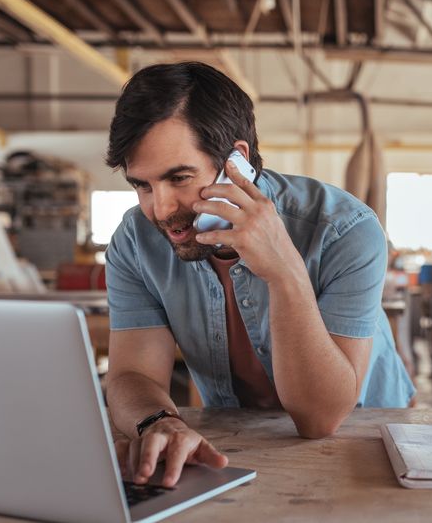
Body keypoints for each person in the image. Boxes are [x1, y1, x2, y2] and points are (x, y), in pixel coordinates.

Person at [103, 62, 415, 488]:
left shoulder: (346, 230)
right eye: (142, 185)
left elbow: (320, 419)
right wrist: (158, 421)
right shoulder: (135, 241)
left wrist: (285, 273)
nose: (160, 209)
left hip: (367, 437)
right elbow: (131, 375)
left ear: (237, 161)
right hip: (234, 441)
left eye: (179, 178)